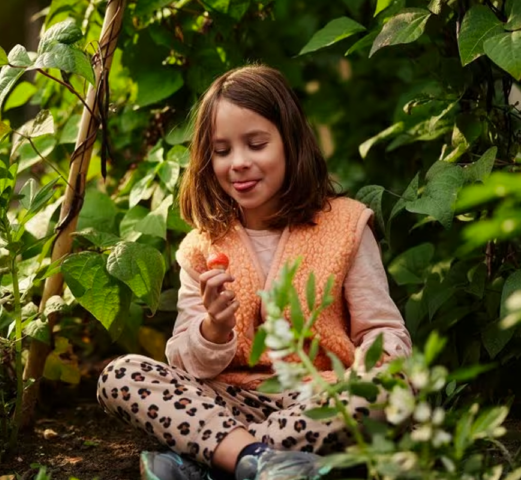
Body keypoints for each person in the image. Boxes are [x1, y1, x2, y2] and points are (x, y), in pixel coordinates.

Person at [97, 65, 412, 480]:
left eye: (256, 144)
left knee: (387, 390)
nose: (239, 163)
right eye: (222, 151)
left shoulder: (346, 226)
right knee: (120, 376)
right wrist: (213, 329)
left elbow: (383, 330)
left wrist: (369, 370)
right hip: (229, 402)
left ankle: (214, 463)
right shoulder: (203, 245)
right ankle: (263, 465)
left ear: (290, 143)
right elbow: (185, 364)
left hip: (319, 399)